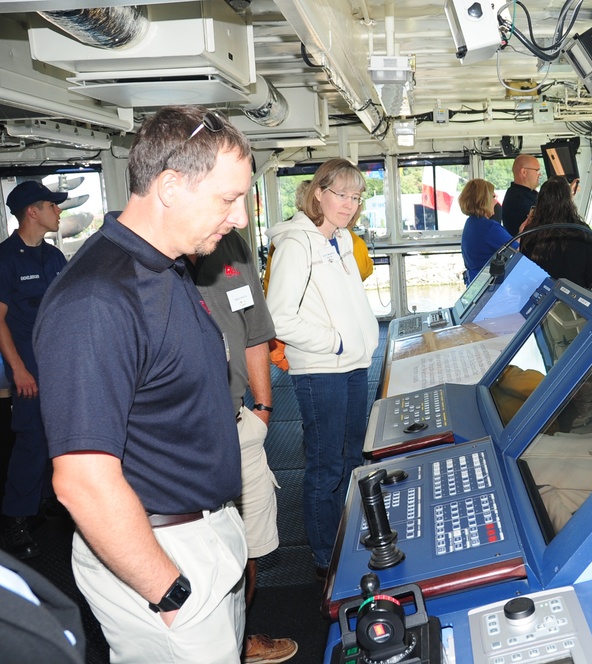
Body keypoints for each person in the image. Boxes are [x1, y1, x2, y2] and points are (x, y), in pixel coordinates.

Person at [34, 105, 253, 663]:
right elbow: (81, 481)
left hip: (206, 534)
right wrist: (168, 589)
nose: (241, 218)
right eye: (228, 199)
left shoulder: (167, 267)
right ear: (171, 186)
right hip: (161, 552)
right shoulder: (97, 300)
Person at [185, 232, 298, 663]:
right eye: (228, 197)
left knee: (249, 544)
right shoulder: (154, 259)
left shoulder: (231, 245)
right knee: (200, 554)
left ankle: (241, 635)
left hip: (241, 424)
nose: (237, 216)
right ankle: (214, 646)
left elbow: (253, 332)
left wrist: (264, 408)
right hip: (186, 440)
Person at [265, 158, 379, 580]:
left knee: (350, 459)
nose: (348, 204)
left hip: (351, 366)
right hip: (321, 370)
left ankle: (346, 539)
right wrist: (335, 342)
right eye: (340, 195)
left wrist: (355, 344)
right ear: (318, 194)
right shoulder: (297, 244)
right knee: (325, 466)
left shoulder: (341, 241)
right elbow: (278, 317)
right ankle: (325, 557)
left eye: (355, 196)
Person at [0, 181, 68, 560]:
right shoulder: (6, 259)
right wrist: (19, 369)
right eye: (52, 206)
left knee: (55, 438)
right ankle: (16, 518)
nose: (58, 212)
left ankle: (45, 500)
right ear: (32, 211)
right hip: (28, 367)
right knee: (31, 441)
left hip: (58, 366)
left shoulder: (55, 257)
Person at [519, 176, 592, 290]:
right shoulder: (583, 232)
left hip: (538, 296)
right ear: (569, 201)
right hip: (572, 300)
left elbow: (524, 273)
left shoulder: (530, 232)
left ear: (540, 200)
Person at [460, 179, 514, 284]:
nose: (496, 201)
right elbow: (518, 250)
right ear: (484, 200)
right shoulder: (489, 228)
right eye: (493, 197)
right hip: (489, 286)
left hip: (474, 283)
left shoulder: (471, 223)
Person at [501, 154, 541, 236]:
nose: (539, 174)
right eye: (537, 170)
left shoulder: (528, 193)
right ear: (524, 172)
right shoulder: (516, 200)